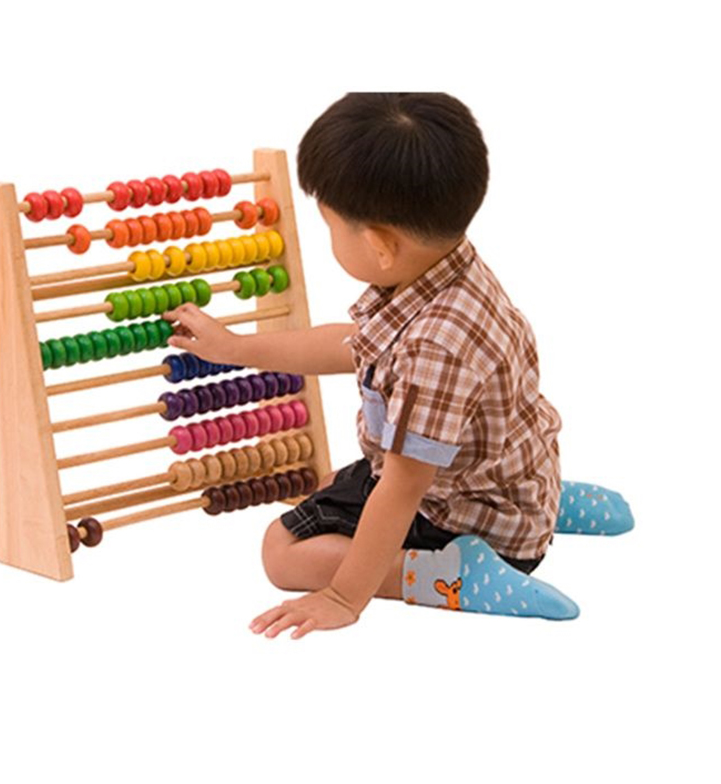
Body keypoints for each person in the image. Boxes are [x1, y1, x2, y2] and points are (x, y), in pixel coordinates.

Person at [164, 92, 579, 639]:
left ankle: (457, 575)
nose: (330, 240)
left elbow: (403, 487)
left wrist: (343, 596)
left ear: (381, 245)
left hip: (456, 515)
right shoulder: (446, 272)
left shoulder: (436, 347)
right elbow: (353, 346)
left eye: (332, 227)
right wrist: (238, 349)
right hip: (506, 476)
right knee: (327, 484)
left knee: (281, 551)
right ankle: (540, 502)